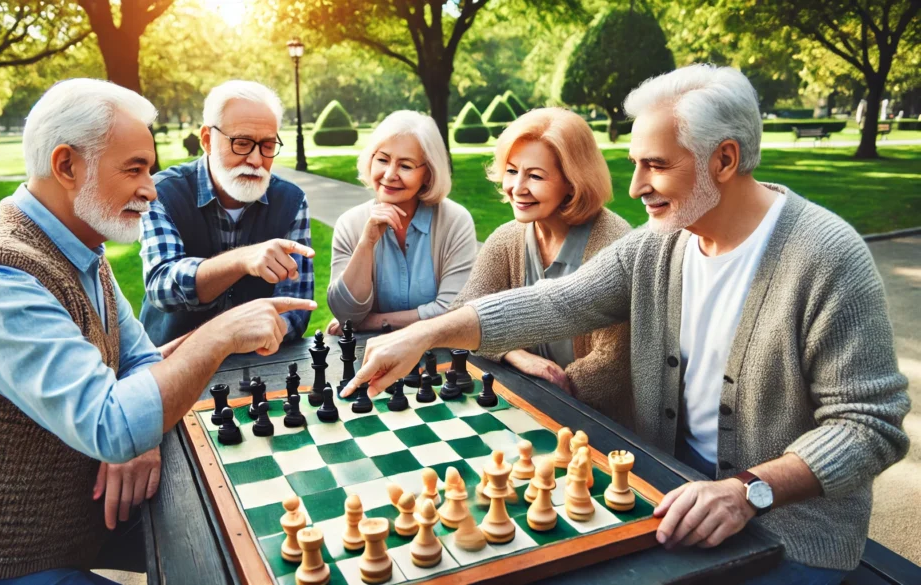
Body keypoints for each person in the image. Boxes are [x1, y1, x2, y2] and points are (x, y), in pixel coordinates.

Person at [341, 65, 910, 583]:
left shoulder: (827, 256)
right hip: (662, 492)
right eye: (636, 162)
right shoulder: (658, 245)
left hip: (790, 530)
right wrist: (426, 333)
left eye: (656, 166)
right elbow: (557, 302)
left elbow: (870, 426)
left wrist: (747, 491)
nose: (635, 186)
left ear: (725, 160)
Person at [0, 79, 314, 584]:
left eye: (151, 168)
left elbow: (139, 362)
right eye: (134, 169)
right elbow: (111, 427)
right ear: (67, 165)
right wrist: (220, 332)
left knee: (264, 525)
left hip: (74, 519)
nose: (151, 189)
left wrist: (140, 434)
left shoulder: (80, 247)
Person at [451, 108, 633, 427]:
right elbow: (461, 313)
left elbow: (614, 366)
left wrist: (555, 383)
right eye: (511, 171)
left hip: (599, 426)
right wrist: (515, 354)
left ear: (573, 181)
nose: (517, 187)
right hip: (528, 408)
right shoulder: (508, 238)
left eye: (535, 176)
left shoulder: (614, 242)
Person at [139, 80, 314, 346]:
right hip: (172, 362)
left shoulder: (291, 201)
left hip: (260, 363)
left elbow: (296, 304)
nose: (256, 160)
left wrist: (275, 328)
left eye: (267, 146)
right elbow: (162, 286)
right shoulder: (162, 193)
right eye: (242, 143)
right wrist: (242, 259)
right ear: (207, 140)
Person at [326, 110, 476, 333]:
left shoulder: (455, 221)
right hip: (367, 356)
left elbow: (453, 311)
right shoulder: (350, 224)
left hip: (440, 356)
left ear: (428, 173)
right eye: (383, 160)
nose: (389, 175)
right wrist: (366, 244)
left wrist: (374, 322)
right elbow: (347, 314)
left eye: (405, 166)